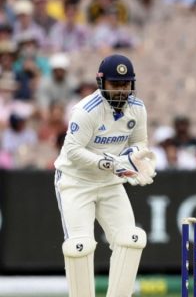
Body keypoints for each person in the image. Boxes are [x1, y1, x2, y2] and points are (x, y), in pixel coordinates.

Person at [53, 54, 157, 297]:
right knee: (79, 247)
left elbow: (139, 141)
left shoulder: (137, 108)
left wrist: (134, 158)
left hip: (110, 183)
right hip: (75, 181)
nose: (122, 91)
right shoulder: (86, 110)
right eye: (115, 84)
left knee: (130, 239)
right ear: (102, 83)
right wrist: (113, 164)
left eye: (126, 84)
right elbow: (73, 151)